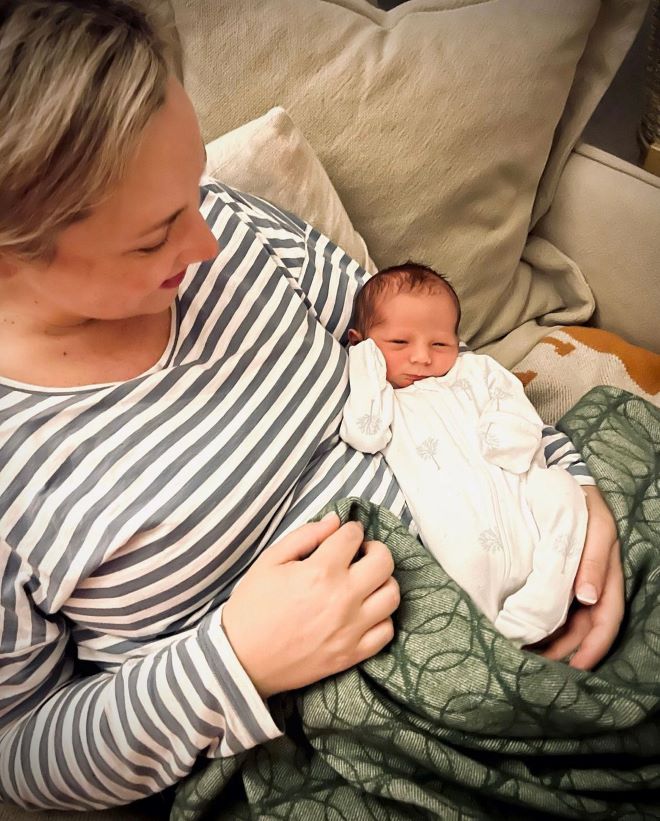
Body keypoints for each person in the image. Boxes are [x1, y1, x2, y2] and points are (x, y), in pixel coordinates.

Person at [0, 0, 623, 812]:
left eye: (194, 186)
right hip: (336, 732)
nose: (208, 242)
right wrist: (236, 658)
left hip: (515, 523)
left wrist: (564, 489)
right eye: (154, 237)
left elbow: (425, 357)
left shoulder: (231, 224)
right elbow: (22, 753)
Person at [340, 263, 590, 646]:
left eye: (440, 344)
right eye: (399, 344)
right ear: (365, 344)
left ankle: (543, 606)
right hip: (457, 524)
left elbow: (518, 412)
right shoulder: (384, 399)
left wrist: (503, 436)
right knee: (466, 564)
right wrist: (365, 363)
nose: (422, 358)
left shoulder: (476, 371)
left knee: (563, 492)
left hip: (520, 492)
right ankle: (500, 635)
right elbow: (365, 433)